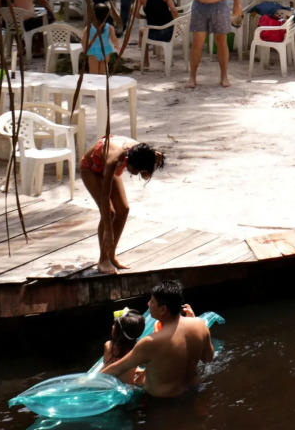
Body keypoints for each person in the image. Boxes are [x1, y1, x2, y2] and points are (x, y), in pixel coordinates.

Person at [99, 281, 212, 398]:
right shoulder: (200, 324)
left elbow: (117, 369)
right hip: (193, 389)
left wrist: (88, 383)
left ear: (163, 309)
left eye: (152, 301)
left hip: (162, 400)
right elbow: (208, 358)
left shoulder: (151, 342)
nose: (148, 304)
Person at [80, 137, 165, 273]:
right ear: (128, 161)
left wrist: (150, 166)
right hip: (91, 168)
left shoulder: (145, 153)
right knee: (110, 212)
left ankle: (111, 255)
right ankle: (103, 259)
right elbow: (104, 197)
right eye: (135, 170)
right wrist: (108, 229)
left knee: (123, 210)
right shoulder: (113, 159)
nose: (136, 173)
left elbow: (156, 158)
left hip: (108, 167)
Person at [120, 0, 176, 64]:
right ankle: (166, 58)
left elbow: (134, 13)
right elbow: (174, 11)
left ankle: (145, 61)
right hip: (170, 31)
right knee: (144, 30)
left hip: (154, 32)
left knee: (142, 31)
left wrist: (145, 17)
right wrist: (177, 24)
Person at [102, 311, 146, 384]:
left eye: (115, 325)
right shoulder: (136, 351)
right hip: (128, 388)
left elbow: (106, 368)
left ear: (119, 332)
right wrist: (137, 379)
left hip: (108, 384)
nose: (112, 326)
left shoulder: (109, 346)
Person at [83, 4, 118, 77]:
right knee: (103, 74)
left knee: (93, 74)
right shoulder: (109, 27)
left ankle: (94, 87)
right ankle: (102, 87)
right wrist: (117, 46)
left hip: (93, 52)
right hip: (105, 51)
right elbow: (114, 39)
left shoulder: (88, 28)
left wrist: (84, 49)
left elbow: (84, 40)